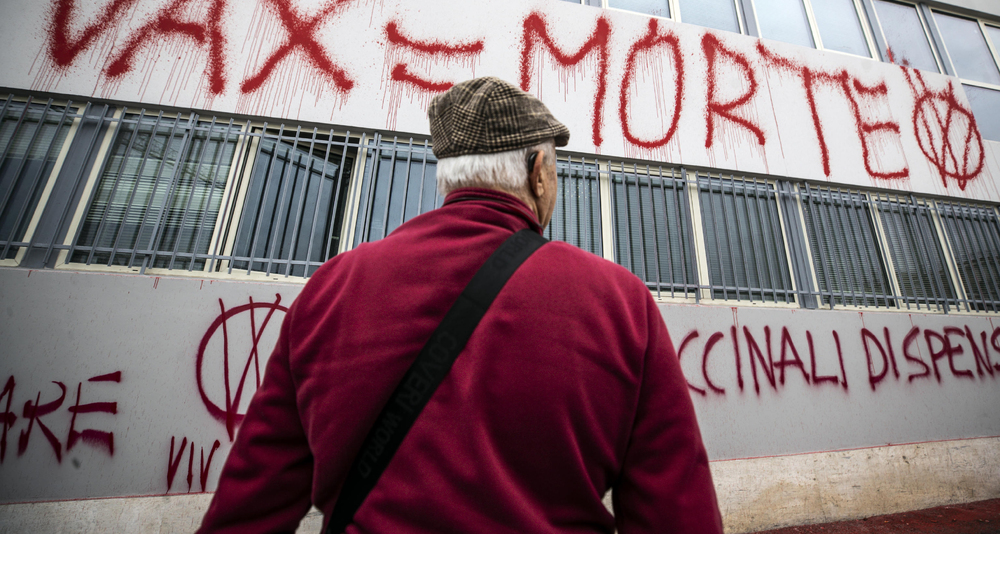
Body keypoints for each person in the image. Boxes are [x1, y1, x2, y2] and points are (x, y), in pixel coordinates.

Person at [198, 76, 722, 533]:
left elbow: (245, 516)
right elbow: (679, 524)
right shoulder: (619, 303)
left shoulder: (330, 289)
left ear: (448, 175)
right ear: (539, 171)